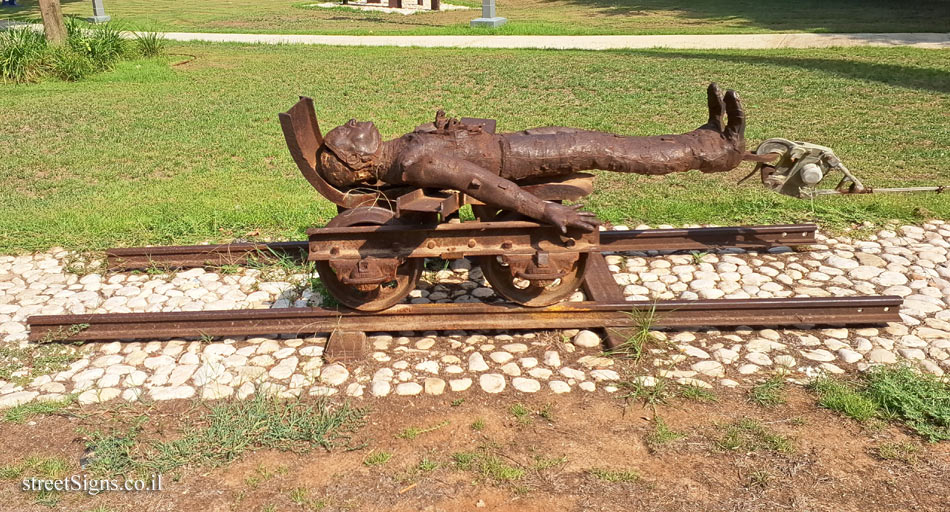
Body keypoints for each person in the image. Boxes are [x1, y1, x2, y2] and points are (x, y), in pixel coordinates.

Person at [317, 83, 749, 232]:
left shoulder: (401, 151)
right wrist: (547, 213)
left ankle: (703, 140)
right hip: (517, 155)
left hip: (516, 142)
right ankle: (719, 153)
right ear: (358, 162)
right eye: (346, 133)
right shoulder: (417, 164)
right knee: (608, 149)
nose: (352, 122)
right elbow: (485, 185)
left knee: (608, 140)